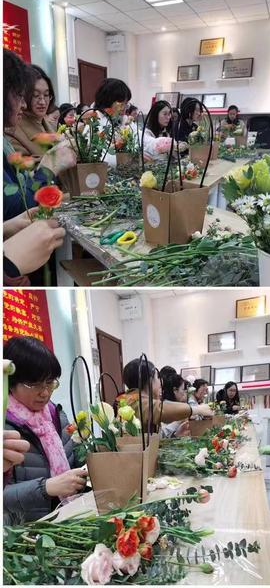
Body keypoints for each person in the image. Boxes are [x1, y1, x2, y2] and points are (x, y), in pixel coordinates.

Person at [4, 337, 87, 523]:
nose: (45, 393)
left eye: (50, 382)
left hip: (69, 518)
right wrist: (45, 488)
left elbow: (74, 459)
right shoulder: (5, 427)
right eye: (34, 385)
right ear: (11, 382)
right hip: (28, 532)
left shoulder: (56, 414)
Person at [3, 49, 65, 283]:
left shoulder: (45, 126)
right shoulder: (14, 131)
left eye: (46, 95)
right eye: (21, 95)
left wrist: (7, 227)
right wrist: (49, 166)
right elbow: (14, 201)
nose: (23, 104)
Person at [119, 358, 210, 431]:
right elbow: (159, 409)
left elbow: (154, 436)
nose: (161, 381)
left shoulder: (134, 398)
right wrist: (196, 409)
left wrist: (176, 434)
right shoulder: (134, 401)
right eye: (158, 377)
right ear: (150, 380)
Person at [5, 64, 56, 160]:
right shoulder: (13, 130)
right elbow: (22, 166)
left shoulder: (50, 125)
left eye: (46, 95)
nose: (42, 102)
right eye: (35, 95)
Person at [161, 373, 190, 437]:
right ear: (175, 390)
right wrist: (179, 420)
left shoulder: (175, 405)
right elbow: (162, 433)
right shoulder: (165, 407)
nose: (184, 393)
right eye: (183, 389)